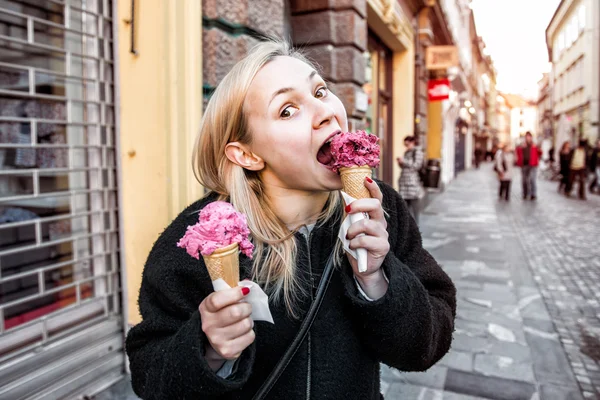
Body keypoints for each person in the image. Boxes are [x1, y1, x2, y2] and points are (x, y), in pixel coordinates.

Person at [125, 40, 456, 399]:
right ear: (247, 154)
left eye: (320, 91)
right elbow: (149, 375)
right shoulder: (202, 237)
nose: (325, 112)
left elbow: (425, 347)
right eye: (287, 110)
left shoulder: (382, 207)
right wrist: (207, 350)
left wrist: (377, 278)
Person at [397, 135, 424, 224]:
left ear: (412, 142)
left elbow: (417, 165)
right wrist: (400, 162)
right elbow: (404, 167)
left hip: (412, 184)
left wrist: (404, 161)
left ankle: (415, 228)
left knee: (415, 209)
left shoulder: (418, 152)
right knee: (405, 209)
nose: (406, 146)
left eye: (407, 144)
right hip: (404, 183)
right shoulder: (407, 152)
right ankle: (407, 228)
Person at [516, 132, 541, 200]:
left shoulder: (534, 145)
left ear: (531, 137)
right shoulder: (522, 145)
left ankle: (533, 194)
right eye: (527, 137)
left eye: (529, 137)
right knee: (524, 180)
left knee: (532, 179)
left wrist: (537, 148)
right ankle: (525, 193)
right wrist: (520, 147)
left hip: (533, 165)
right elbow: (517, 152)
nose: (528, 138)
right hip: (524, 164)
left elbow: (540, 153)